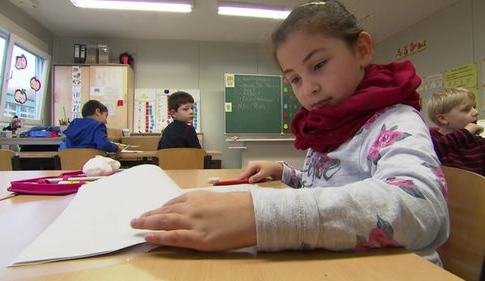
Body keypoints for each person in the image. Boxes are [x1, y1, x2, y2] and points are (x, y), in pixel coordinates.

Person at [131, 0, 448, 264]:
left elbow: (420, 208)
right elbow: (326, 184)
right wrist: (285, 173)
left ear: (362, 50)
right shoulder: (326, 127)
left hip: (396, 272)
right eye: (294, 79)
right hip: (336, 263)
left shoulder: (396, 120)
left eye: (319, 64)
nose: (308, 88)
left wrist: (260, 216)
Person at [427, 87, 485, 175]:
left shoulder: (479, 143)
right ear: (443, 119)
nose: (476, 112)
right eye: (466, 109)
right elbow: (429, 153)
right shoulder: (432, 140)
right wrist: (466, 133)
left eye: (474, 107)